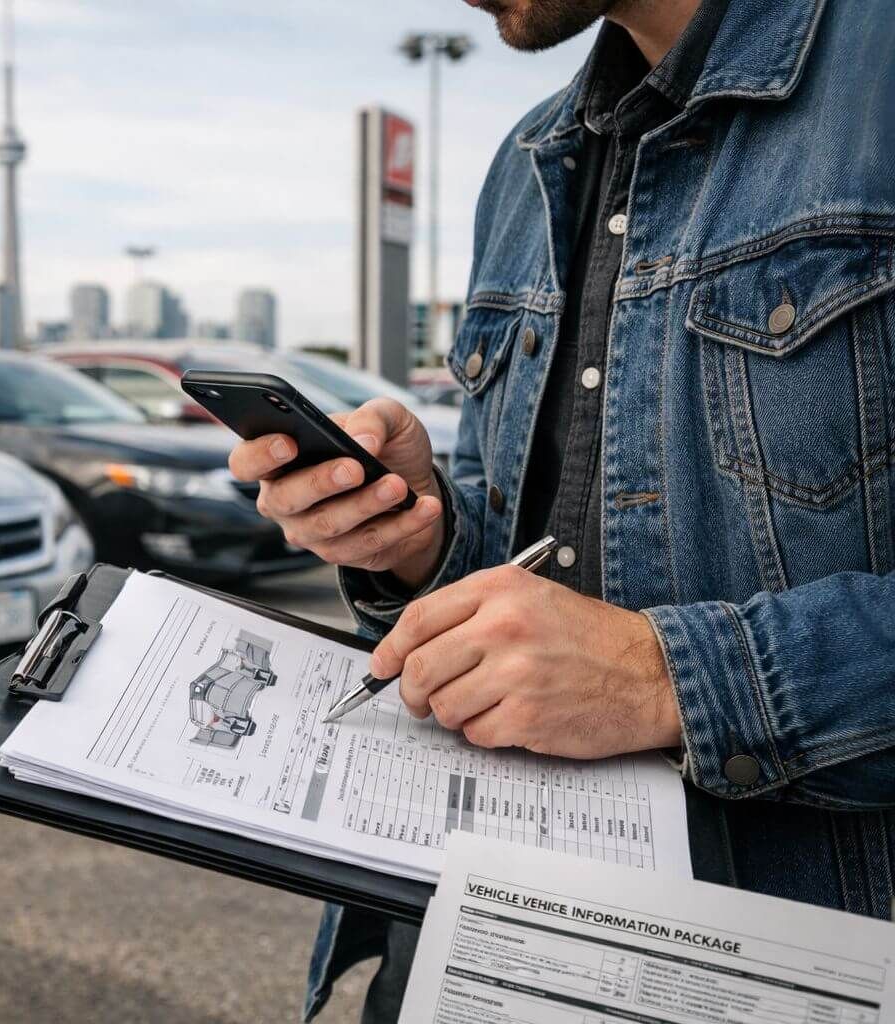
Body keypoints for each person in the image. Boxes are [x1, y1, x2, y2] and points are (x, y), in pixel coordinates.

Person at [229, 0, 895, 1019]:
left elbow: (616, 656)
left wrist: (665, 680)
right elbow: (542, 568)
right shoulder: (528, 159)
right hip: (475, 943)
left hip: (785, 961)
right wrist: (421, 542)